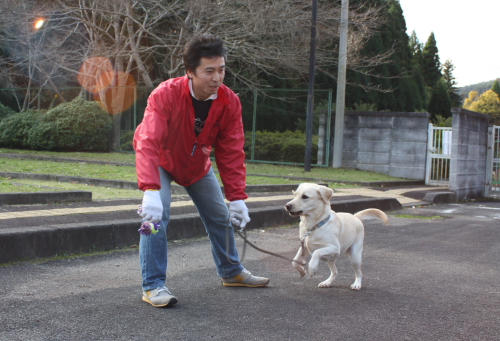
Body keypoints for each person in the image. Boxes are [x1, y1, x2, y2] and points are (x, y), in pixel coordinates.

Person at [133, 34, 269, 308]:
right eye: (209, 71)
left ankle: (232, 272)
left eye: (221, 69)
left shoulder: (229, 101)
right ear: (190, 72)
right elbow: (148, 141)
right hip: (161, 159)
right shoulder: (165, 94)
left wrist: (238, 197)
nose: (217, 77)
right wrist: (150, 190)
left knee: (220, 215)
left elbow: (231, 151)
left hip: (196, 165)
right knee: (156, 217)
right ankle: (153, 285)